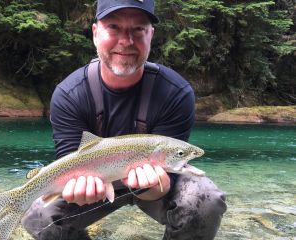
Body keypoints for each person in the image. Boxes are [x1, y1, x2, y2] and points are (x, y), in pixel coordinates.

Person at [22, 0, 227, 239]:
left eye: (138, 29)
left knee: (206, 200)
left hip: (155, 184)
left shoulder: (175, 92)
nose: (126, 41)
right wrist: (76, 189)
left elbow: (168, 176)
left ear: (151, 34)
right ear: (95, 33)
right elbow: (68, 162)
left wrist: (150, 187)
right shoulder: (70, 94)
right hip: (95, 182)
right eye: (114, 27)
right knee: (38, 216)